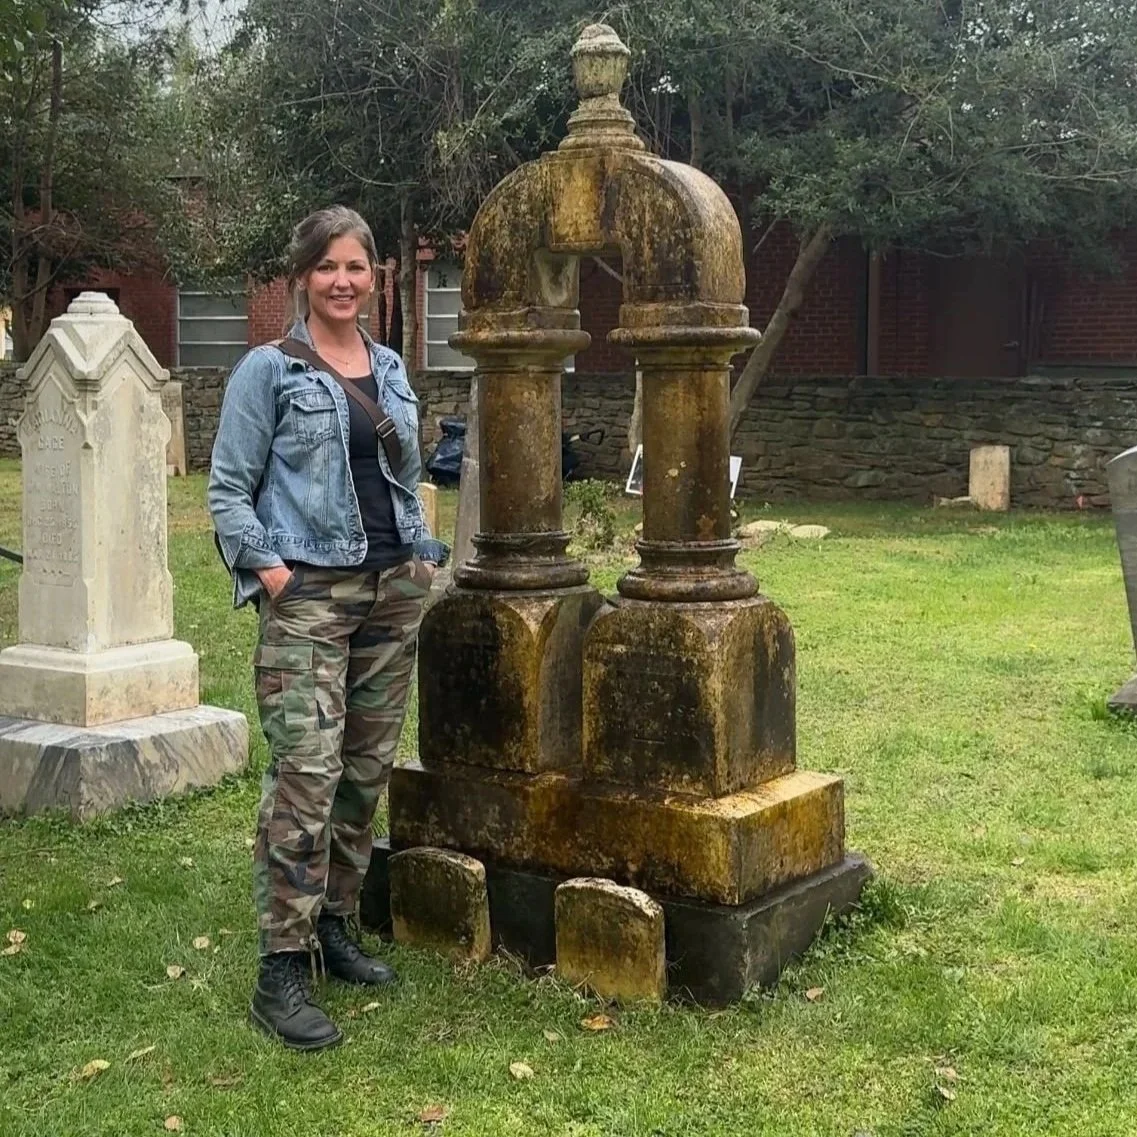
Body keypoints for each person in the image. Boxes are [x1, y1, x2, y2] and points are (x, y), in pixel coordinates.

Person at [208, 206, 449, 1051]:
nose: (342, 281)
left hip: (390, 592)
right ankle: (280, 965)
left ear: (374, 276)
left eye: (355, 266)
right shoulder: (267, 370)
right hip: (310, 595)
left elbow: (401, 472)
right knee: (305, 774)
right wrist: (273, 572)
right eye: (326, 267)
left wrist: (418, 555)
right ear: (301, 276)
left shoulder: (389, 366)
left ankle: (334, 925)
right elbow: (228, 490)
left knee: (362, 772)